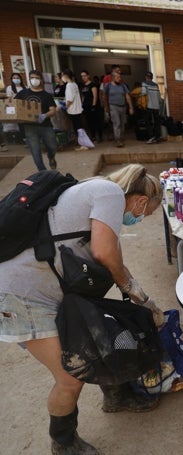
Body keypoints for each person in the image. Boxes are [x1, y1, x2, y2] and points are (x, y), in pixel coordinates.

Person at [0, 163, 165, 454]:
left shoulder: (97, 198)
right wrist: (140, 297)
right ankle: (63, 441)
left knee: (103, 329)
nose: (140, 218)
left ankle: (116, 395)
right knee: (69, 377)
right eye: (145, 214)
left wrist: (144, 301)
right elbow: (104, 254)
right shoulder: (109, 192)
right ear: (140, 201)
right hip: (21, 296)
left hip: (44, 290)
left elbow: (115, 264)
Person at [15, 70, 58, 170]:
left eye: (37, 78)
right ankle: (43, 172)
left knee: (53, 146)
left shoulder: (46, 95)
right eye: (32, 78)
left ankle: (51, 157)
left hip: (45, 125)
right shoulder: (22, 93)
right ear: (29, 79)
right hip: (30, 126)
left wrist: (44, 116)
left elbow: (53, 110)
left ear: (41, 80)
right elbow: (14, 105)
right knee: (35, 150)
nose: (34, 80)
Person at [103, 71, 134, 148]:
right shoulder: (108, 86)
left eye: (120, 77)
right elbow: (104, 96)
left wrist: (131, 107)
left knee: (123, 123)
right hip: (113, 106)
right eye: (117, 77)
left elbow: (127, 96)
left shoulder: (123, 86)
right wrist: (106, 107)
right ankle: (118, 139)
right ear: (113, 78)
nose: (119, 79)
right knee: (117, 123)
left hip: (123, 106)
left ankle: (121, 137)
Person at [61, 68, 88, 151]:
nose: (62, 77)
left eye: (62, 75)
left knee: (78, 128)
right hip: (78, 109)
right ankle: (83, 144)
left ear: (66, 76)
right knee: (80, 127)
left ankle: (83, 144)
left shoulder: (69, 86)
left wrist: (65, 106)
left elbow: (69, 99)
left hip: (73, 110)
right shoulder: (74, 84)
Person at [1, 72, 25, 152]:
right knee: (14, 123)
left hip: (22, 107)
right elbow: (9, 98)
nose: (16, 79)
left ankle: (23, 138)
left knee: (22, 123)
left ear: (20, 79)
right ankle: (16, 139)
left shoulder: (24, 87)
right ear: (11, 79)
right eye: (14, 78)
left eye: (17, 77)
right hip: (13, 106)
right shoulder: (9, 87)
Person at [79, 69, 103, 143]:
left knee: (96, 122)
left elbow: (95, 96)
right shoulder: (83, 86)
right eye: (82, 76)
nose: (83, 77)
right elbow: (83, 96)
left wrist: (93, 105)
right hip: (86, 106)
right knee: (89, 122)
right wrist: (82, 105)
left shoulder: (93, 85)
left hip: (93, 106)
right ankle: (93, 137)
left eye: (85, 76)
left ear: (88, 76)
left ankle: (100, 137)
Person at [141, 71, 163, 144]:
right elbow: (159, 98)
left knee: (148, 122)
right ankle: (157, 137)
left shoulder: (144, 84)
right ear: (152, 77)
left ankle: (151, 137)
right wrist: (159, 104)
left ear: (146, 77)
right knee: (157, 122)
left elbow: (143, 93)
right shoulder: (156, 85)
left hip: (149, 106)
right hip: (156, 107)